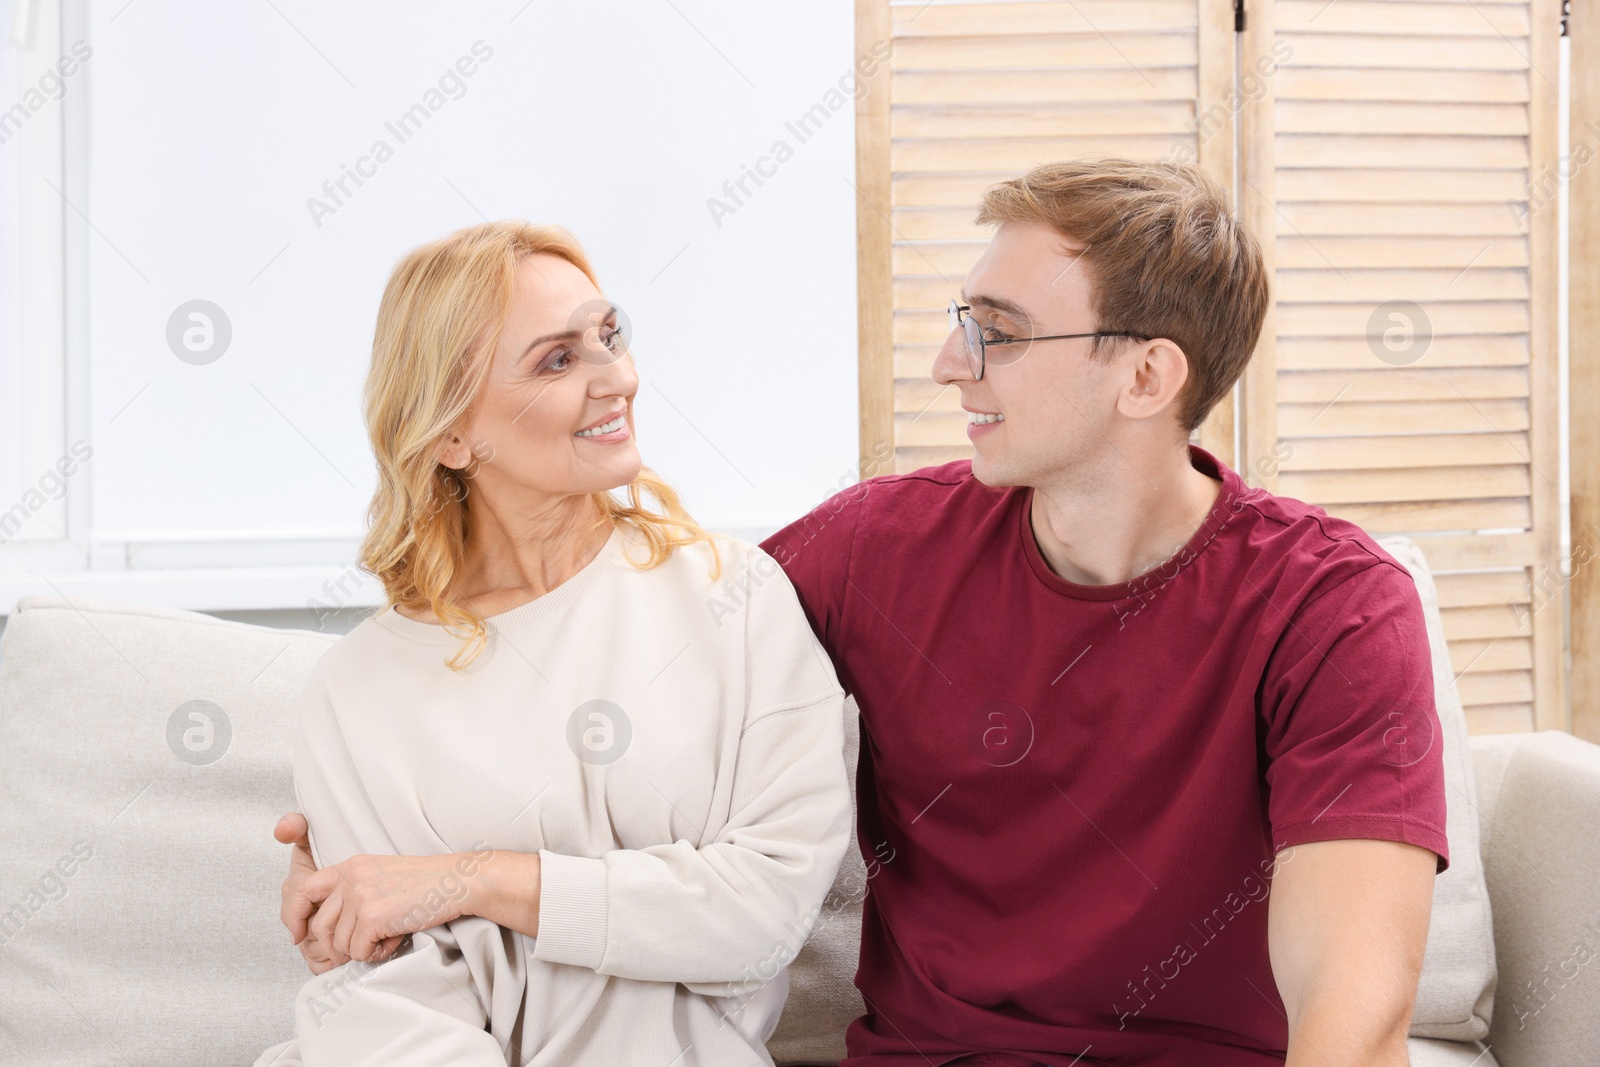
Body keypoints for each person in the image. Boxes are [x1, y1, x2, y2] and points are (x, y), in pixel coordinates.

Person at [277, 158, 1449, 1066]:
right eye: (960, 314)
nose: (948, 361)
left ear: (1146, 378)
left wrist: (457, 871)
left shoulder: (1332, 606)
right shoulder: (872, 553)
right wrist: (357, 859)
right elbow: (591, 640)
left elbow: (1355, 1002)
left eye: (997, 328)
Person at [252, 220, 854, 1066]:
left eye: (610, 336)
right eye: (558, 360)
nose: (620, 378)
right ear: (453, 435)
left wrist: (468, 879)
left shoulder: (735, 598)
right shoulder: (359, 690)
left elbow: (759, 920)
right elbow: (383, 1000)